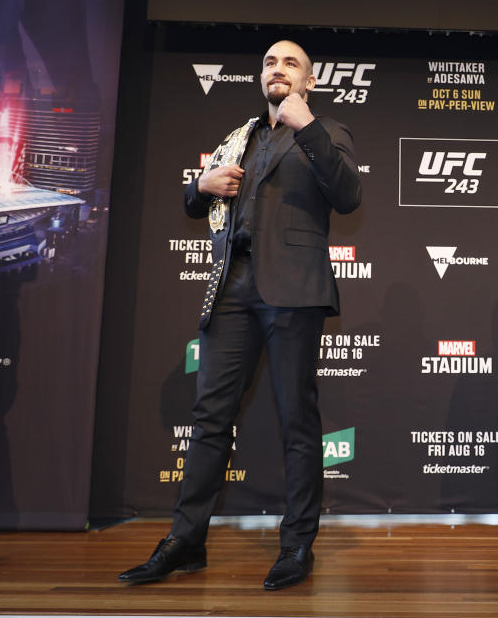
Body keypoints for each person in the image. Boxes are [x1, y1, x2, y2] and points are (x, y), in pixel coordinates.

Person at [118, 40, 361, 591]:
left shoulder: (329, 131)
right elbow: (194, 200)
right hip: (232, 286)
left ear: (310, 81)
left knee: (297, 422)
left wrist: (308, 127)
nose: (278, 70)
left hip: (293, 290)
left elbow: (347, 196)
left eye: (291, 63)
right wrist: (197, 185)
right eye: (270, 63)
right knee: (208, 419)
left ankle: (297, 544)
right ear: (261, 77)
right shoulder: (240, 138)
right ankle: (186, 542)